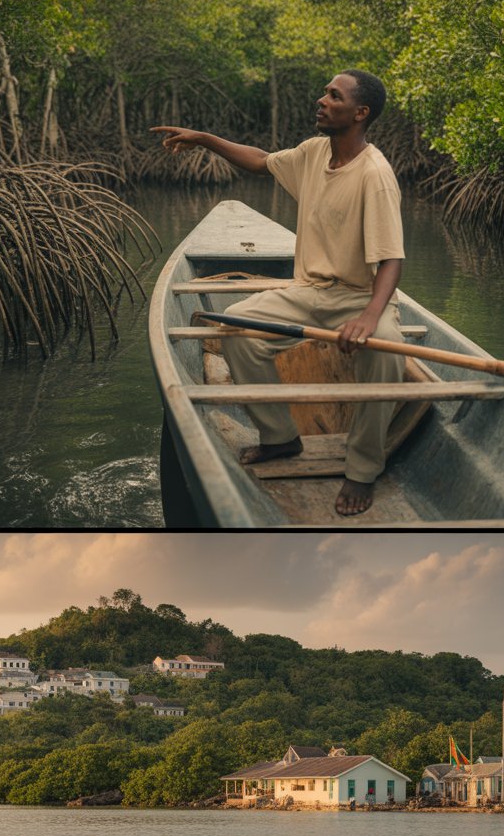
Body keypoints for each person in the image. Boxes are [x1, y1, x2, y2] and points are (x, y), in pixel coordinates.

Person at [151, 69, 405, 516]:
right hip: (308, 289)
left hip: (361, 296)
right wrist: (206, 139)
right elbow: (260, 161)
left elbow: (391, 261)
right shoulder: (313, 153)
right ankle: (280, 438)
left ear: (360, 113)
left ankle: (363, 470)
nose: (321, 100)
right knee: (237, 332)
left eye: (333, 95)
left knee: (386, 352)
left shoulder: (375, 175)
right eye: (324, 92)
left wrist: (369, 318)